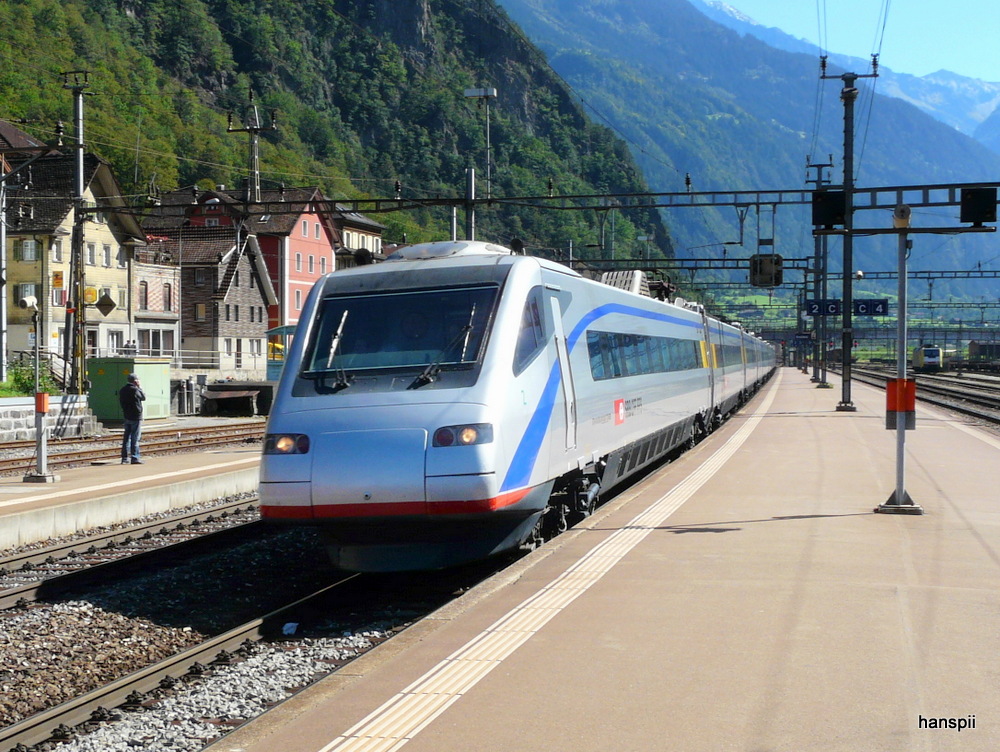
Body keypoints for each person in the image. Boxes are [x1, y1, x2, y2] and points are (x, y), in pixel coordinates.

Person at [119, 373, 146, 464]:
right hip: (136, 416)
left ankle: (124, 458)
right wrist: (139, 387)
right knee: (135, 437)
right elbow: (143, 397)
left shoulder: (122, 390)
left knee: (126, 437)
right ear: (135, 381)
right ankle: (135, 457)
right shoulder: (135, 390)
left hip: (126, 415)